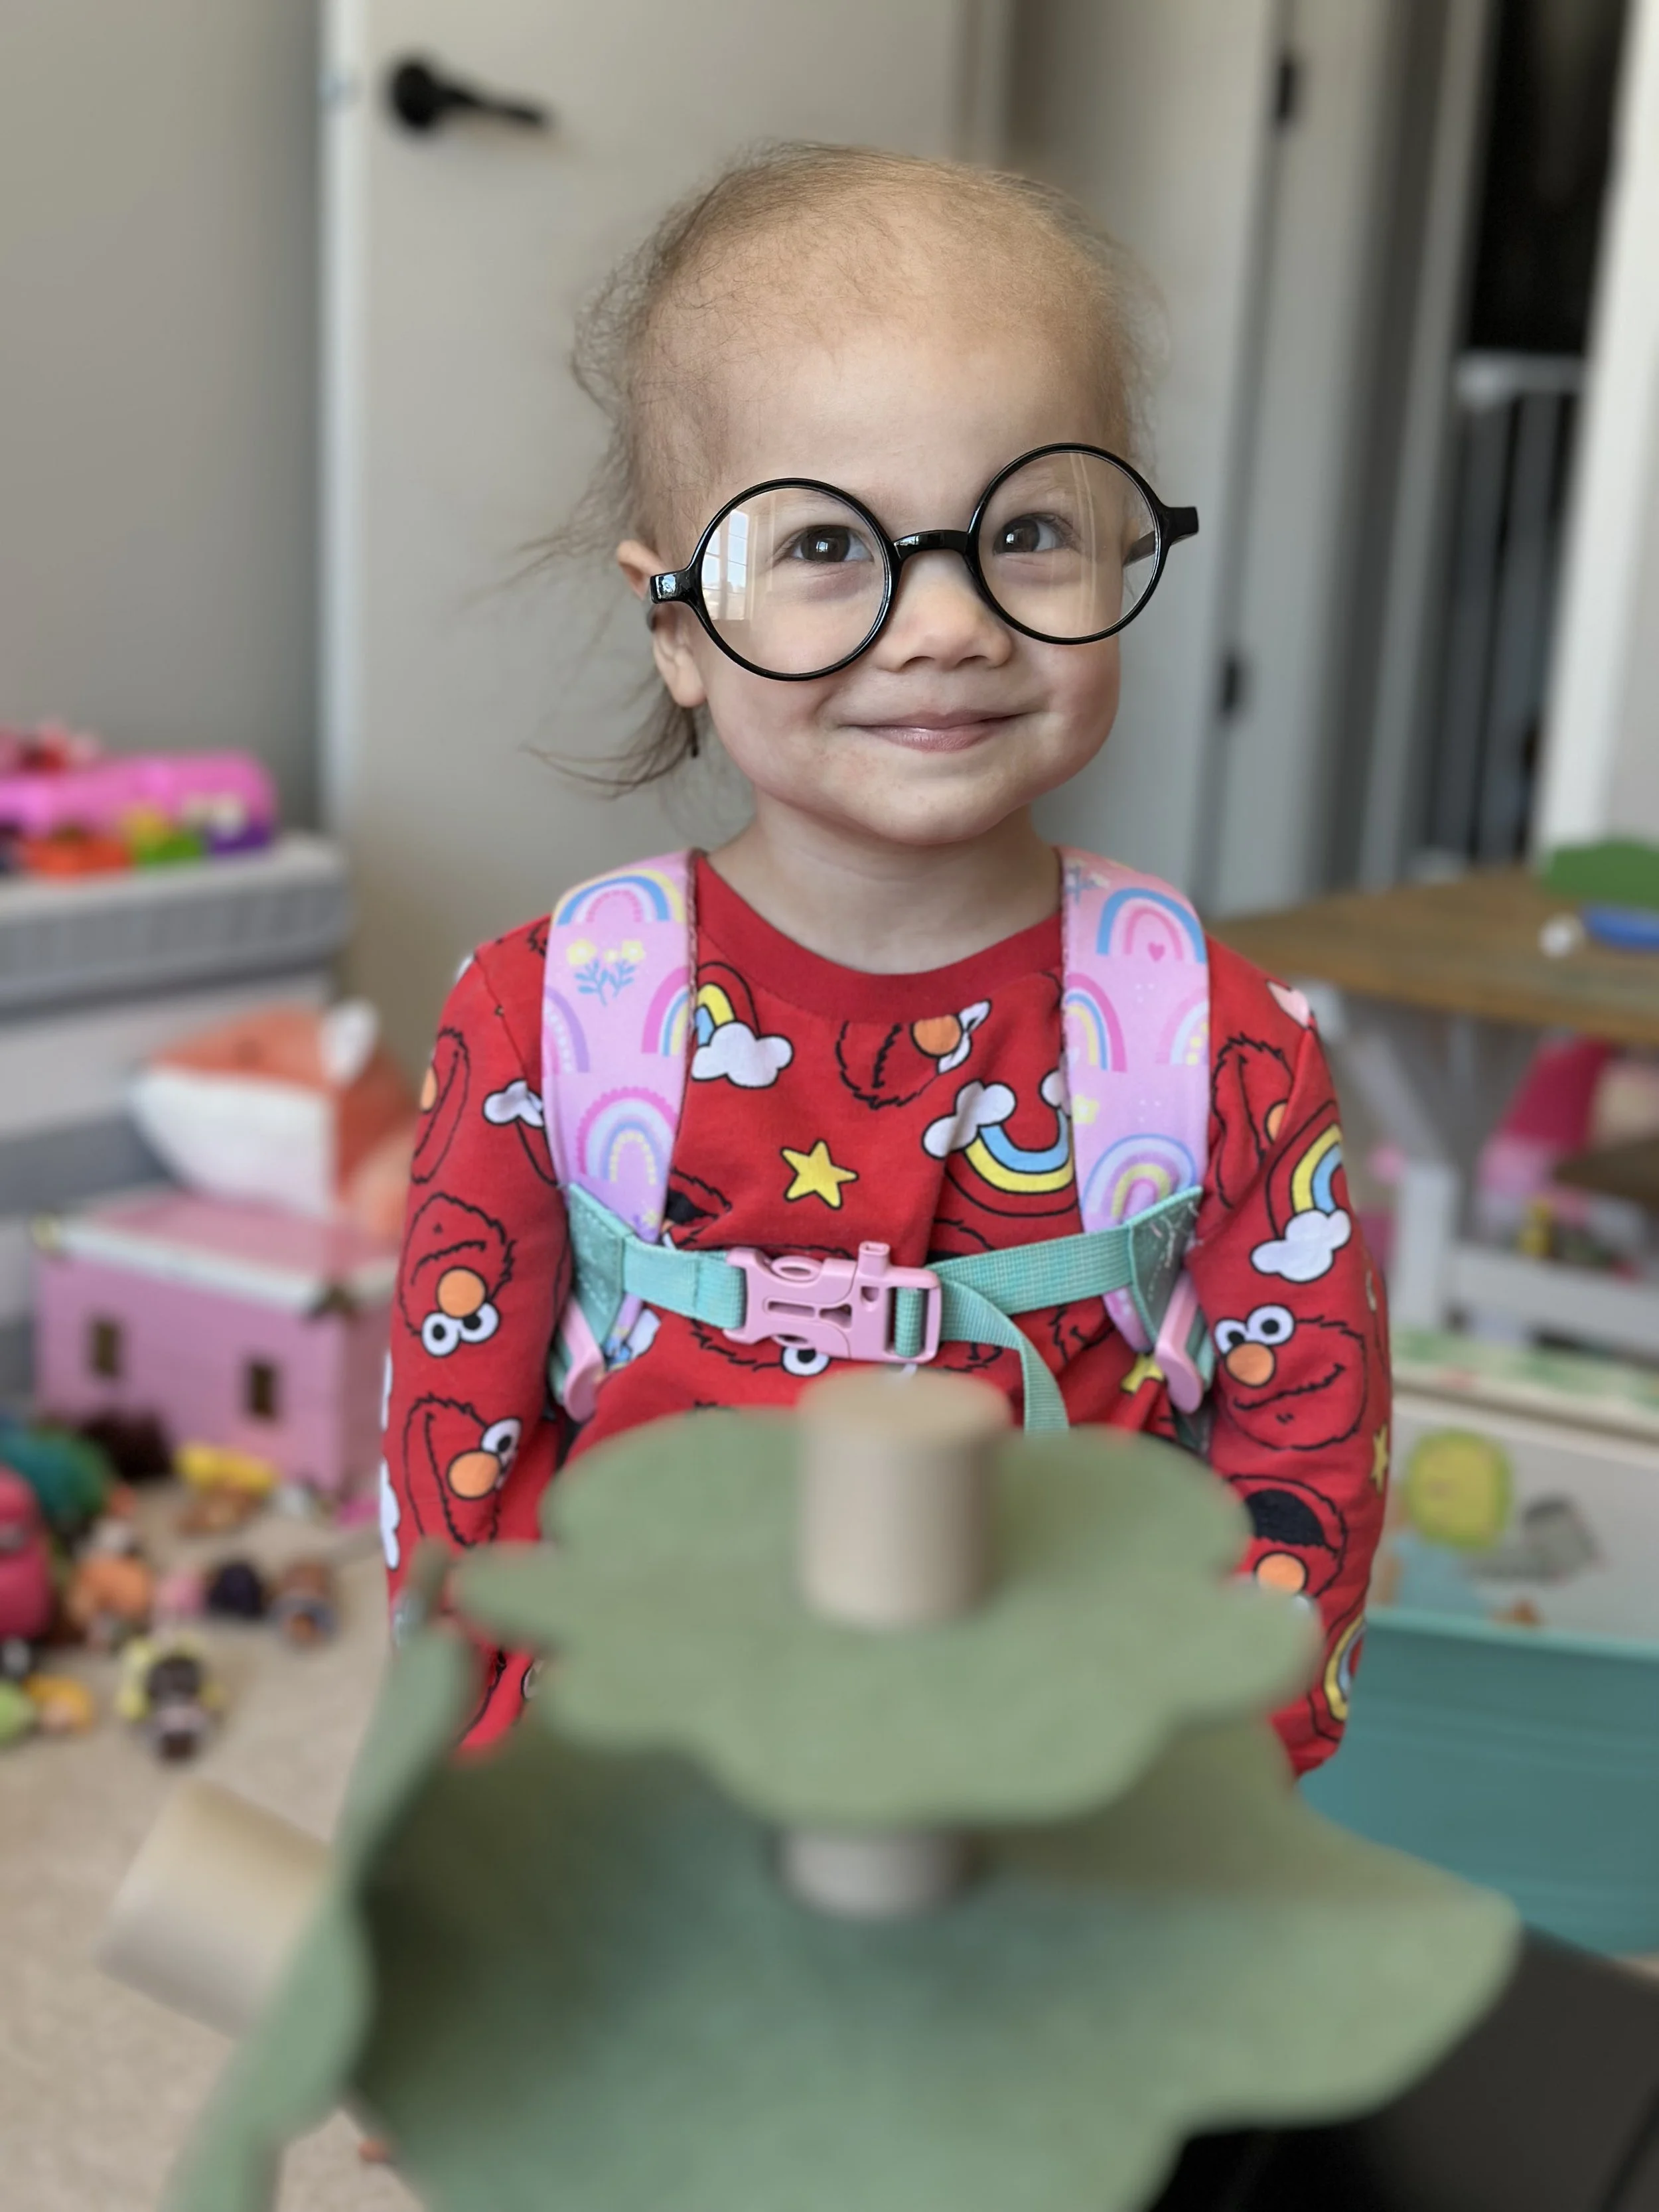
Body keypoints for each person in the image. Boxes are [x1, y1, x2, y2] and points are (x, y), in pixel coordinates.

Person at [380, 143, 1388, 1767]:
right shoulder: (545, 1014)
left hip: (1057, 1763)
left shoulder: (1211, 1031)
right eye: (829, 548)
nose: (946, 623)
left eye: (1032, 527)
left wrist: (1217, 1769)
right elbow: (456, 1438)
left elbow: (1307, 1443)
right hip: (647, 1757)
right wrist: (483, 1755)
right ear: (678, 626)